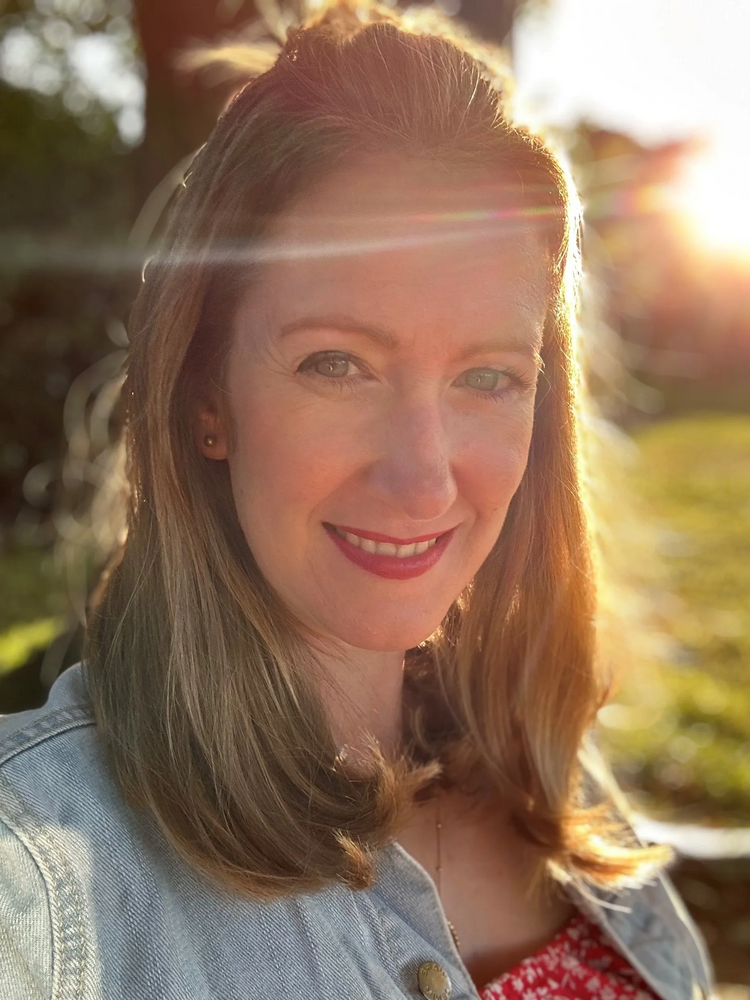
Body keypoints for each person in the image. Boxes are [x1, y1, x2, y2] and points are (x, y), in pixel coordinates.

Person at [0, 3, 712, 998]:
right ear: (208, 400)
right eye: (337, 363)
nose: (424, 476)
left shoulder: (549, 777)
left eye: (488, 376)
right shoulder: (35, 873)